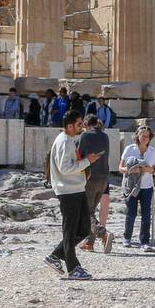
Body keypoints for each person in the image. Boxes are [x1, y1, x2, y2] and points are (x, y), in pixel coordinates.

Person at [44, 111, 101, 280]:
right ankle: (73, 268)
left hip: (76, 188)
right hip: (68, 191)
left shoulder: (69, 141)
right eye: (78, 124)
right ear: (69, 126)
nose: (81, 127)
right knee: (69, 231)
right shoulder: (64, 142)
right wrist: (87, 162)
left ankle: (55, 256)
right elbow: (65, 168)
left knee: (83, 228)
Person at [120, 125, 155, 250]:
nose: (144, 138)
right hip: (131, 187)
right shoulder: (129, 149)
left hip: (147, 186)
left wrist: (150, 170)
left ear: (150, 138)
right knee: (131, 213)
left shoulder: (152, 151)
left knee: (146, 214)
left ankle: (144, 242)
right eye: (142, 135)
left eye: (147, 136)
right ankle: (127, 238)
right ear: (137, 136)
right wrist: (131, 170)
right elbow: (120, 168)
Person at [77, 115, 114, 254]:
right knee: (91, 210)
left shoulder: (85, 136)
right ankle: (89, 242)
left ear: (86, 123)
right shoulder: (105, 136)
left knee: (87, 212)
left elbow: (79, 155)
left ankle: (102, 232)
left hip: (90, 178)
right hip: (104, 179)